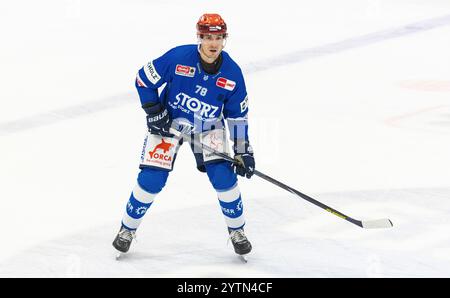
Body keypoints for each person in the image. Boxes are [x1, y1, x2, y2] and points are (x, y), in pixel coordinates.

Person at [112, 13, 255, 257]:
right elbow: (143, 80)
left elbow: (237, 116)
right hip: (170, 121)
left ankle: (237, 231)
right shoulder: (178, 57)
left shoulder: (232, 73)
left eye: (219, 37)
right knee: (152, 178)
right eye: (208, 37)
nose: (213, 43)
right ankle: (127, 229)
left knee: (223, 176)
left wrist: (243, 150)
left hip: (208, 126)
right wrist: (154, 111)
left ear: (224, 39)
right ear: (199, 37)